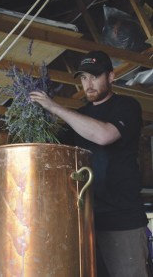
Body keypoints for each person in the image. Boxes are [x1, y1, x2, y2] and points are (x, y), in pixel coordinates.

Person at [30, 50, 150, 277]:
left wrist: (53, 107)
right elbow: (54, 154)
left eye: (95, 76)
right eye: (84, 78)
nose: (88, 83)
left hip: (122, 221)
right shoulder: (78, 115)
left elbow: (104, 135)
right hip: (85, 222)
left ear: (111, 77)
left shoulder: (127, 106)